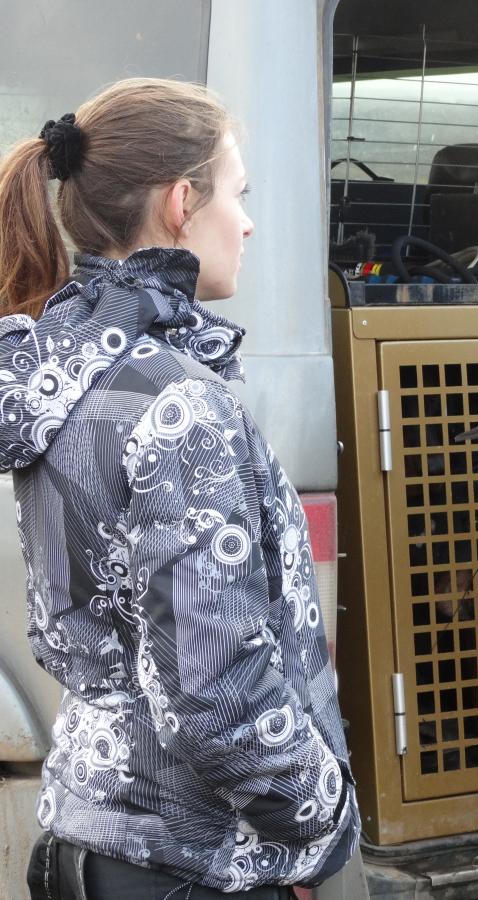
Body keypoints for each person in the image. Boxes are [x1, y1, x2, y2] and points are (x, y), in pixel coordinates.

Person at [0, 78, 359, 898]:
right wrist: (322, 814)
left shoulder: (66, 372)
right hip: (191, 865)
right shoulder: (178, 403)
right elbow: (216, 691)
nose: (248, 222)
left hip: (84, 842)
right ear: (181, 202)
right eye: (239, 193)